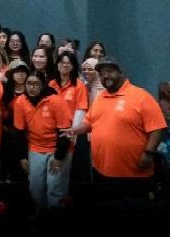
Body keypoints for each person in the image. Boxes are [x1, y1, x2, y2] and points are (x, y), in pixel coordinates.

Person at [62, 57, 166, 190]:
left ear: (121, 73)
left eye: (109, 71)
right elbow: (89, 122)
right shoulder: (100, 98)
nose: (105, 76)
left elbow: (157, 128)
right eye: (101, 73)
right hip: (101, 171)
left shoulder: (141, 96)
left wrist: (149, 153)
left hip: (133, 174)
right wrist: (75, 130)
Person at [12, 73, 72, 208]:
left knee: (54, 188)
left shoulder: (56, 100)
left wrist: (59, 157)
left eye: (36, 84)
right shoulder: (20, 101)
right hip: (35, 148)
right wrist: (22, 157)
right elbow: (18, 132)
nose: (32, 87)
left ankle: (55, 215)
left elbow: (65, 132)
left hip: (56, 149)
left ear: (43, 85)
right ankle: (43, 214)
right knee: (35, 188)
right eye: (29, 84)